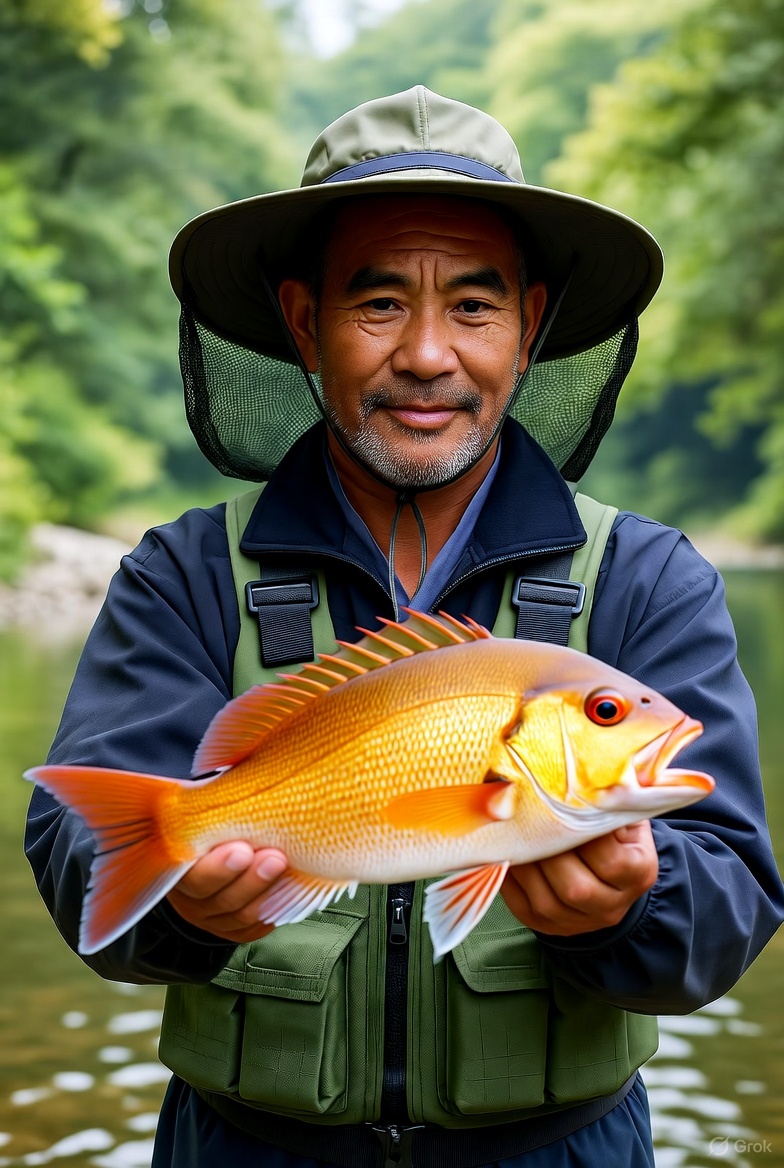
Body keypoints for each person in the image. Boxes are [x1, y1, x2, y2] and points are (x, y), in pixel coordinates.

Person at [25, 86, 784, 1167]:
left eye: (473, 307)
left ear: (529, 330)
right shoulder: (182, 572)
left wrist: (633, 903)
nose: (427, 354)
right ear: (304, 323)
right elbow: (78, 858)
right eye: (378, 303)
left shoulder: (650, 578)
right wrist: (187, 907)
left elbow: (732, 898)